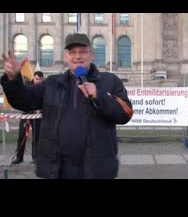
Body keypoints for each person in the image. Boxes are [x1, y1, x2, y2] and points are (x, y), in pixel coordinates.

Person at [1, 33, 133, 179]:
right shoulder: (52, 83)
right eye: (72, 52)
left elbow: (125, 113)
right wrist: (13, 79)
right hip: (57, 170)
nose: (77, 56)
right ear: (65, 57)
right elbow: (23, 101)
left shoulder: (109, 81)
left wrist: (100, 95)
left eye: (83, 52)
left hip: (96, 170)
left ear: (91, 55)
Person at [11, 71, 44, 165]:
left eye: (40, 80)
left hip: (37, 116)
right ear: (33, 78)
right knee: (21, 136)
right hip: (26, 114)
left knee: (36, 137)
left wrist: (41, 110)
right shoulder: (27, 86)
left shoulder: (43, 87)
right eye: (37, 79)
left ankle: (35, 158)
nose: (38, 81)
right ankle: (19, 157)